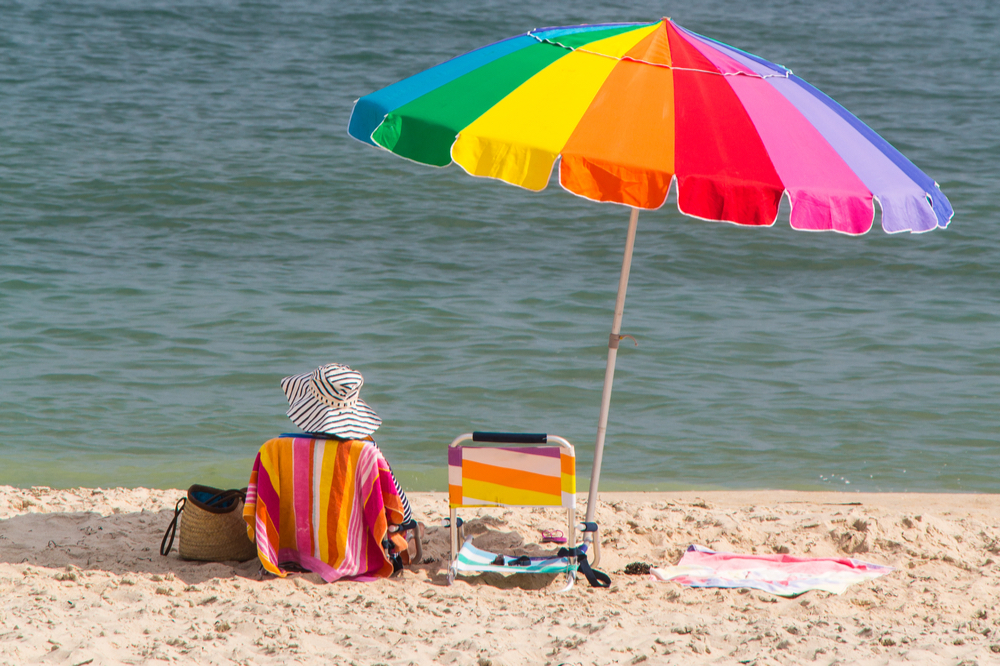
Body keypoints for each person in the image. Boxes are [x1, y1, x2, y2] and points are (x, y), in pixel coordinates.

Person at [279, 362, 412, 523]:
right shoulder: (367, 452)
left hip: (297, 543)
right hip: (354, 546)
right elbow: (401, 510)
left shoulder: (283, 449)